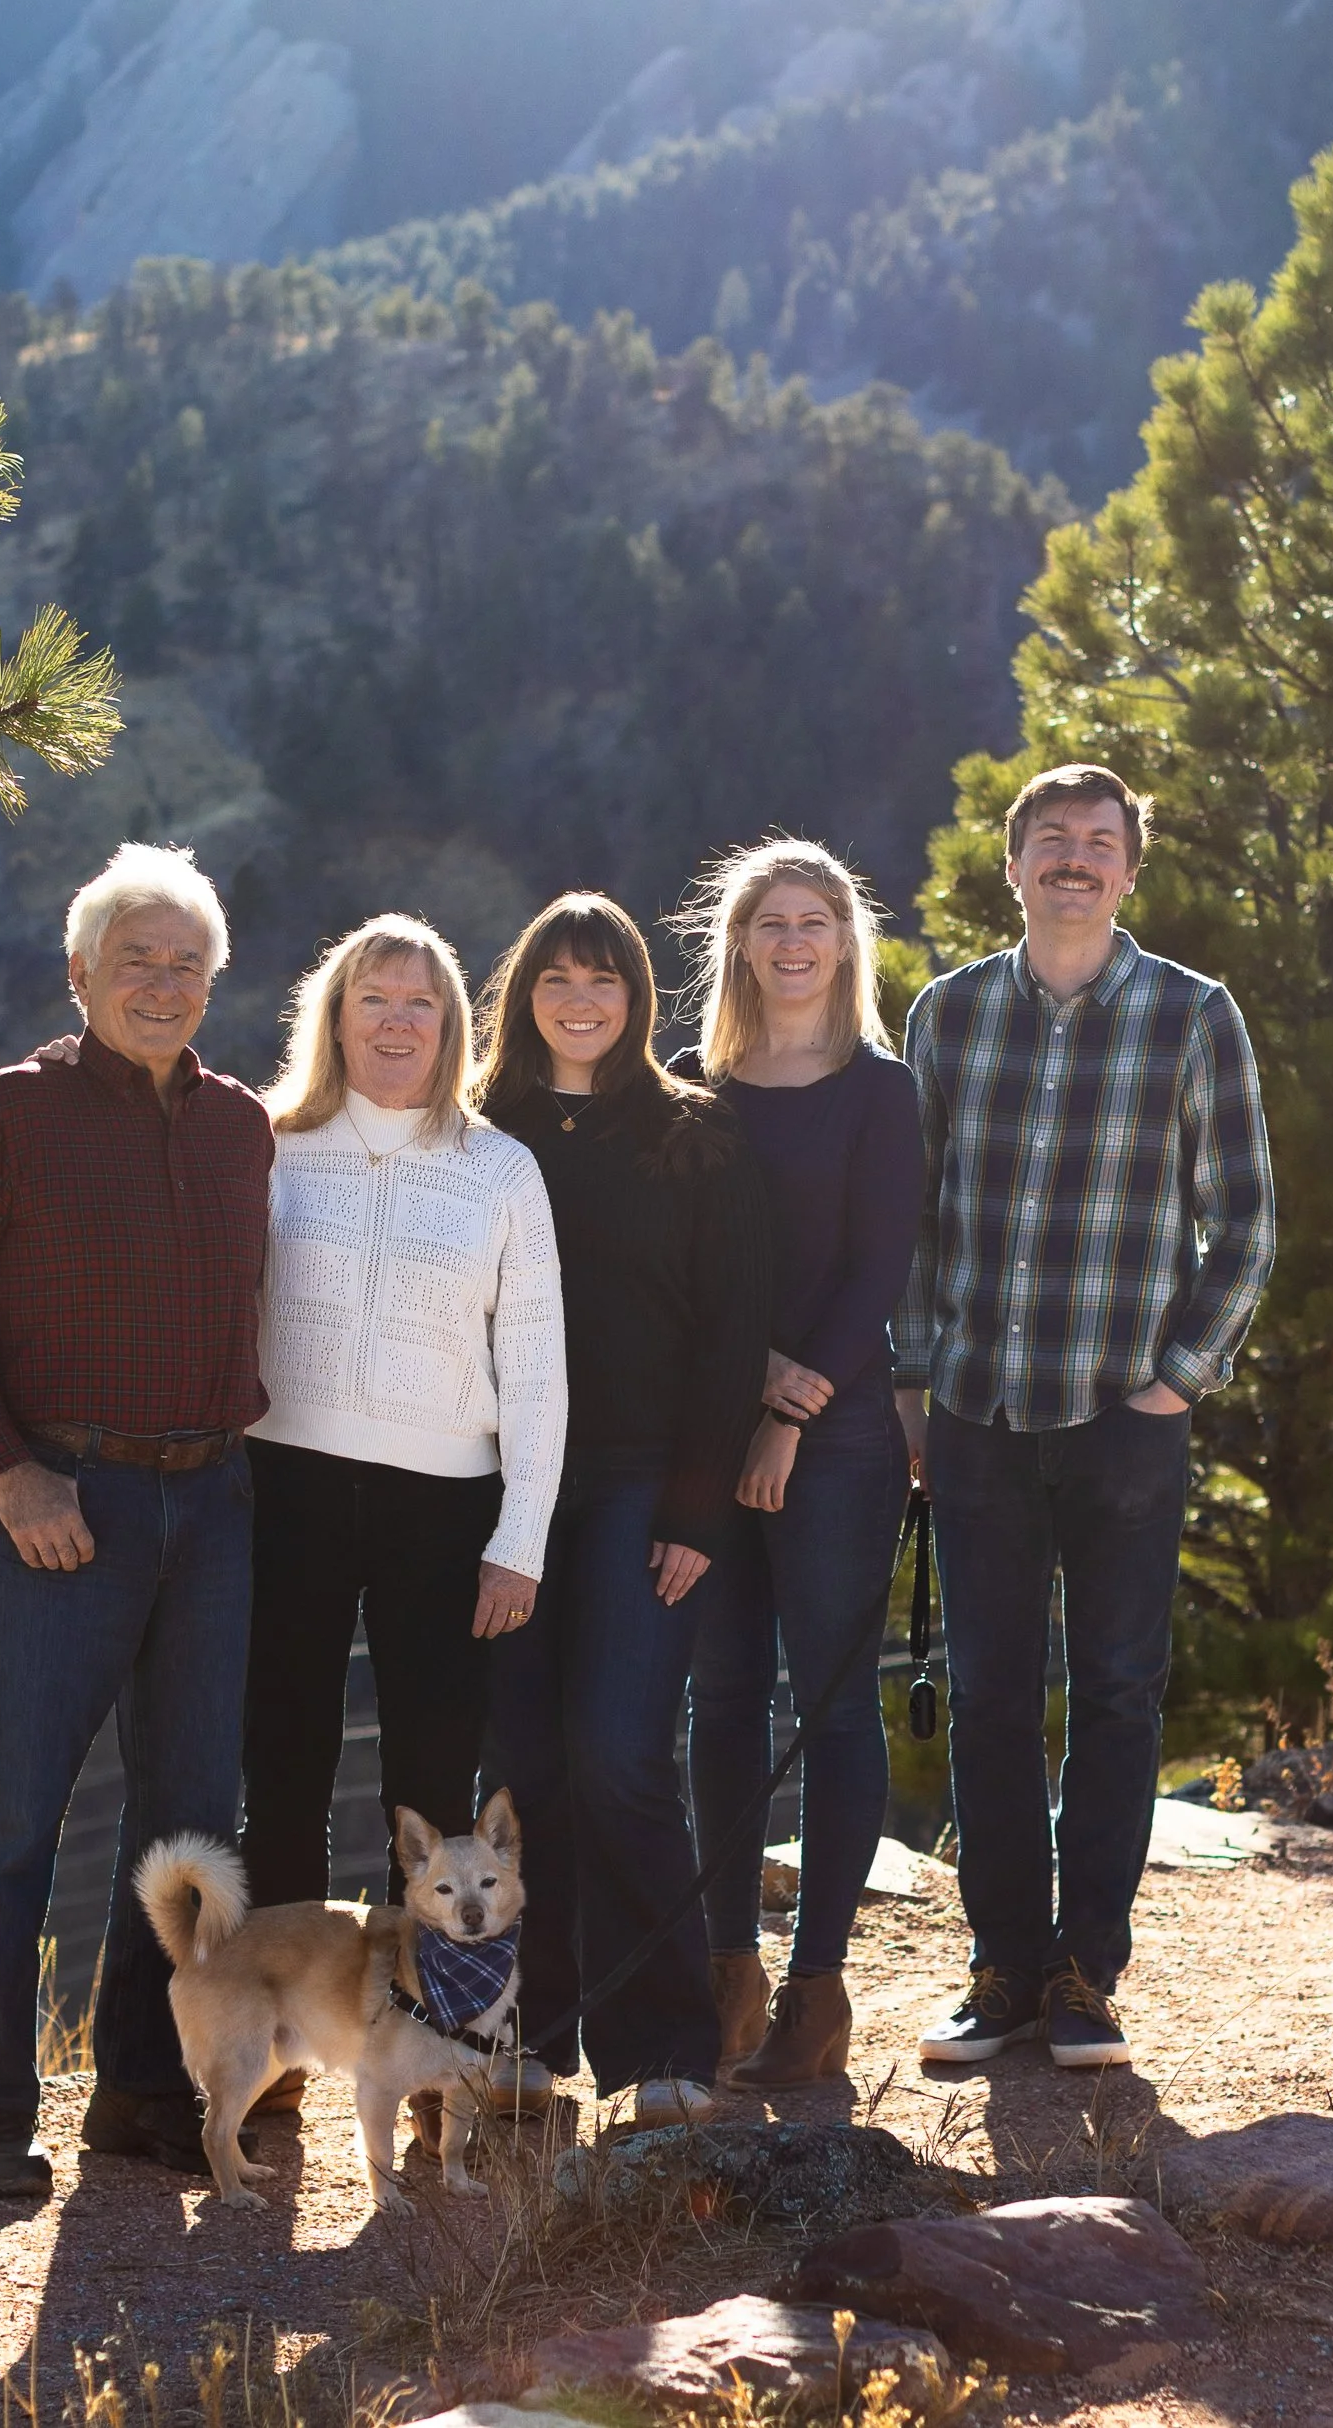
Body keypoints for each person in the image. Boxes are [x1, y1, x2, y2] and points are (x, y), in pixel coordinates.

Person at [0, 843, 273, 2200]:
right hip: (64, 1503)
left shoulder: (241, 1126)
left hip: (216, 1505)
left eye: (185, 966)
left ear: (211, 985)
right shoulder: (3, 1115)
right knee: (15, 1825)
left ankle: (141, 2094)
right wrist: (8, 1473)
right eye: (135, 962)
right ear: (79, 974)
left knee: (185, 1829)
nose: (161, 986)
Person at [898, 766, 1274, 2075]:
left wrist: (1177, 1376)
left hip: (1126, 1416)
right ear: (1013, 866)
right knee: (996, 1697)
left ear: (1128, 869)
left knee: (1117, 1693)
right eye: (1050, 839)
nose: (1073, 859)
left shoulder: (1191, 1016)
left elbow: (1246, 1217)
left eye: (1098, 843)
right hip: (980, 1417)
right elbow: (913, 1219)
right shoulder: (945, 1018)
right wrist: (913, 1384)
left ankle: (1084, 1978)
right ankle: (1001, 1967)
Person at [476, 892, 774, 2127]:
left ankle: (663, 2051)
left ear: (638, 997)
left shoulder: (697, 1136)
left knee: (620, 1756)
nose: (582, 999)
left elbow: (731, 1332)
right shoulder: (476, 1128)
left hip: (646, 1481)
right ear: (525, 994)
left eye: (605, 979)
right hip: (499, 1486)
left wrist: (699, 1511)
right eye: (558, 977)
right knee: (526, 1766)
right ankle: (525, 2043)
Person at [242, 915, 567, 2023]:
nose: (396, 1021)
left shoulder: (501, 1170)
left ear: (452, 1025)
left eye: (419, 1003)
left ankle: (428, 2036)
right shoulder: (267, 1144)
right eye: (373, 998)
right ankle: (283, 2027)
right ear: (333, 1015)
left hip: (447, 1511)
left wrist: (518, 1545)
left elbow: (535, 1373)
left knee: (427, 1790)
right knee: (280, 1770)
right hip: (283, 1490)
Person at [675, 840, 925, 2087]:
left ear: (844, 941)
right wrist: (745, 1389)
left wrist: (790, 1405)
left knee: (831, 1709)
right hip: (712, 1429)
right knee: (719, 1704)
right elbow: (675, 1272)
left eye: (813, 920)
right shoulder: (689, 1085)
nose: (791, 941)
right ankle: (729, 1976)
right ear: (739, 943)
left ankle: (817, 1993)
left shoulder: (881, 1090)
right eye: (769, 921)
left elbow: (880, 1267)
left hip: (839, 1442)